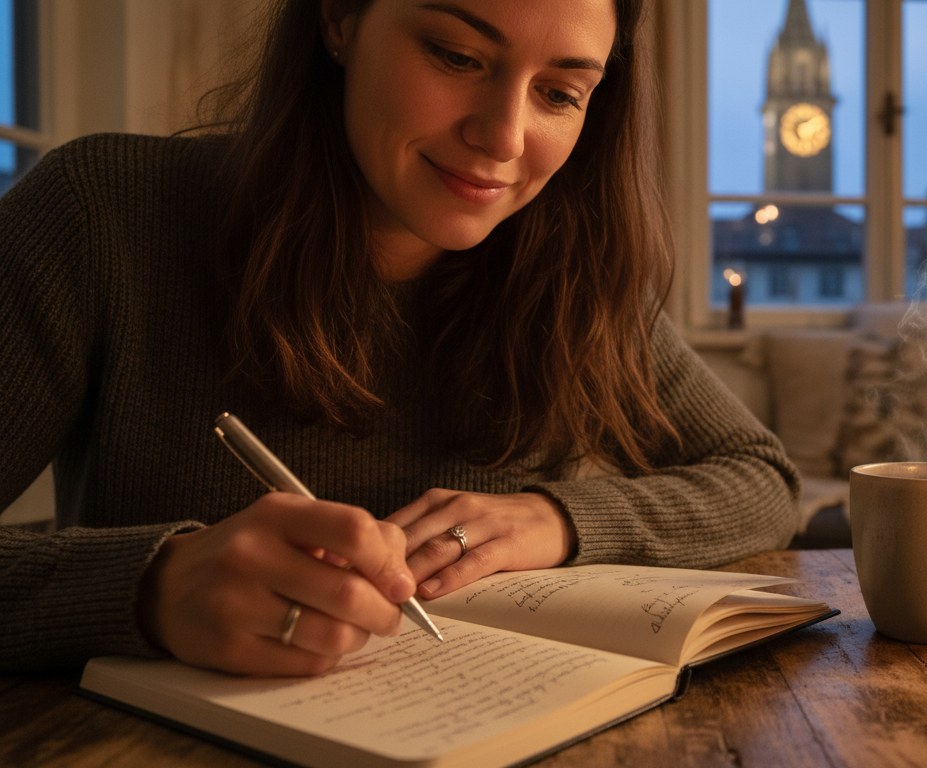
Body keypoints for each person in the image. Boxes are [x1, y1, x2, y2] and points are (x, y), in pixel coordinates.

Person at [0, 0, 797, 676]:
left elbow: (764, 478)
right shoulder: (104, 215)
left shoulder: (572, 276)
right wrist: (150, 586)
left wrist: (559, 519)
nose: (505, 138)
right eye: (456, 56)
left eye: (559, 93)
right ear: (341, 21)